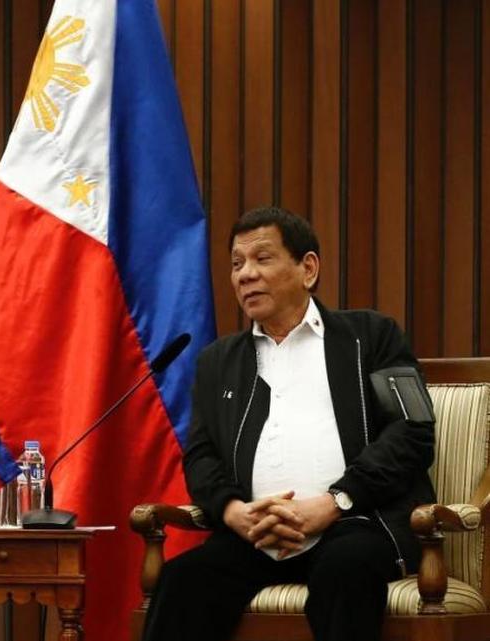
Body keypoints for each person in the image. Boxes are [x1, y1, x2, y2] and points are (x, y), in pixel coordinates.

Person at [142, 207, 436, 641]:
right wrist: (233, 511)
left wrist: (335, 502)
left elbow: (414, 430)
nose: (245, 275)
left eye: (262, 258)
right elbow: (201, 456)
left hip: (355, 524)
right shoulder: (219, 361)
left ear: (308, 268)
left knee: (346, 572)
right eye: (237, 264)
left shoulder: (372, 336)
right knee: (184, 581)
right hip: (255, 536)